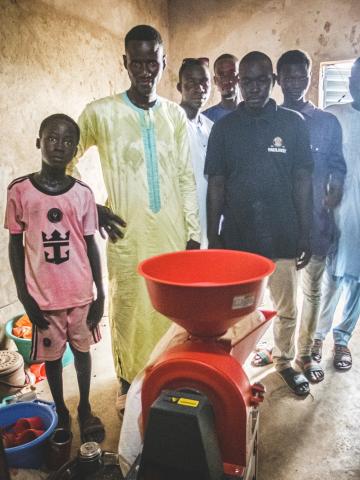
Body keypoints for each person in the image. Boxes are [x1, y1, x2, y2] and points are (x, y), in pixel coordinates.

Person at [68, 25, 200, 408]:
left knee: (172, 308)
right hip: (128, 235)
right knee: (128, 307)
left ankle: (170, 372)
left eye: (152, 63)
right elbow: (67, 160)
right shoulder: (100, 113)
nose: (145, 72)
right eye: (137, 63)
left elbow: (184, 176)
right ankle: (128, 381)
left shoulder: (175, 116)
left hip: (173, 233)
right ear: (125, 63)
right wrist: (91, 206)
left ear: (164, 63)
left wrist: (193, 234)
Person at [205, 51, 314, 396]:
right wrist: (214, 237)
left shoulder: (293, 123)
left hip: (283, 234)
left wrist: (306, 231)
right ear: (238, 82)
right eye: (247, 81)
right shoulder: (224, 128)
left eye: (262, 80)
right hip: (238, 239)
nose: (254, 88)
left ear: (273, 81)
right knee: (237, 313)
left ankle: (284, 361)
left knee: (286, 308)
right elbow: (217, 185)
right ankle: (234, 366)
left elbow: (302, 181)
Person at [5, 114, 105, 442]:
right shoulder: (20, 191)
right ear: (38, 142)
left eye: (66, 141)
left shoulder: (82, 194)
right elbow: (15, 245)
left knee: (83, 352)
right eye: (51, 138)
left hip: (79, 295)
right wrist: (24, 296)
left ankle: (86, 408)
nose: (59, 146)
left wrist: (100, 293)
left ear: (75, 149)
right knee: (51, 359)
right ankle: (61, 410)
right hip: (43, 299)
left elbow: (91, 244)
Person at [251, 50, 346, 383]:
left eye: (301, 76)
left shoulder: (327, 122)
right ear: (277, 79)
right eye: (287, 76)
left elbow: (337, 165)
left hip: (317, 225)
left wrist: (334, 190)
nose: (295, 83)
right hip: (280, 230)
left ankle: (305, 353)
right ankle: (283, 357)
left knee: (313, 293)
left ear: (309, 77)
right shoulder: (267, 121)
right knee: (283, 300)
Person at [312, 57, 360, 371]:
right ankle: (317, 336)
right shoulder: (333, 117)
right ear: (349, 80)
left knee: (357, 283)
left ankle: (342, 339)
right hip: (334, 212)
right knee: (327, 277)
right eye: (356, 75)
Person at [177, 57, 213, 248]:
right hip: (180, 226)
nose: (199, 89)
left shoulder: (210, 127)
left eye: (203, 82)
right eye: (190, 83)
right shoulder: (171, 124)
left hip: (206, 223)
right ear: (179, 87)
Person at [203, 54, 240, 122]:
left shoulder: (254, 114)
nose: (226, 80)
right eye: (221, 75)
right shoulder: (206, 118)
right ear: (215, 80)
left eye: (231, 73)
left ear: (240, 77)